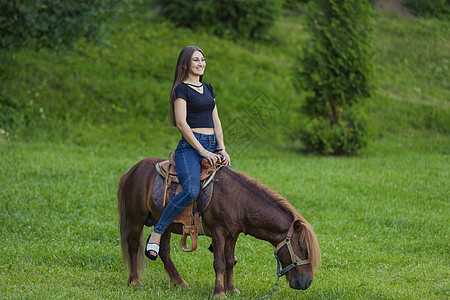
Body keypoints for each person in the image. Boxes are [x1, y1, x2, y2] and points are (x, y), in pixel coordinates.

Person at [145, 45, 231, 260]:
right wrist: (202, 151)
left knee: (230, 190)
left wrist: (221, 148)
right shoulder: (181, 90)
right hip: (190, 148)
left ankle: (217, 241)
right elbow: (182, 124)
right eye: (196, 60)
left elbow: (216, 121)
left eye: (202, 59)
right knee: (191, 190)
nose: (201, 63)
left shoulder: (208, 88)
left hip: (212, 145)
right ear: (185, 64)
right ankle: (157, 232)